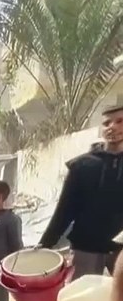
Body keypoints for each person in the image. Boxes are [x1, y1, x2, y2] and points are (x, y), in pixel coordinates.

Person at [38, 105, 123, 279]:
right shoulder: (82, 166)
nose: (112, 127)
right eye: (107, 123)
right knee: (78, 300)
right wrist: (46, 242)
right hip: (86, 247)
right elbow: (65, 208)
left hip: (121, 248)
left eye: (120, 121)